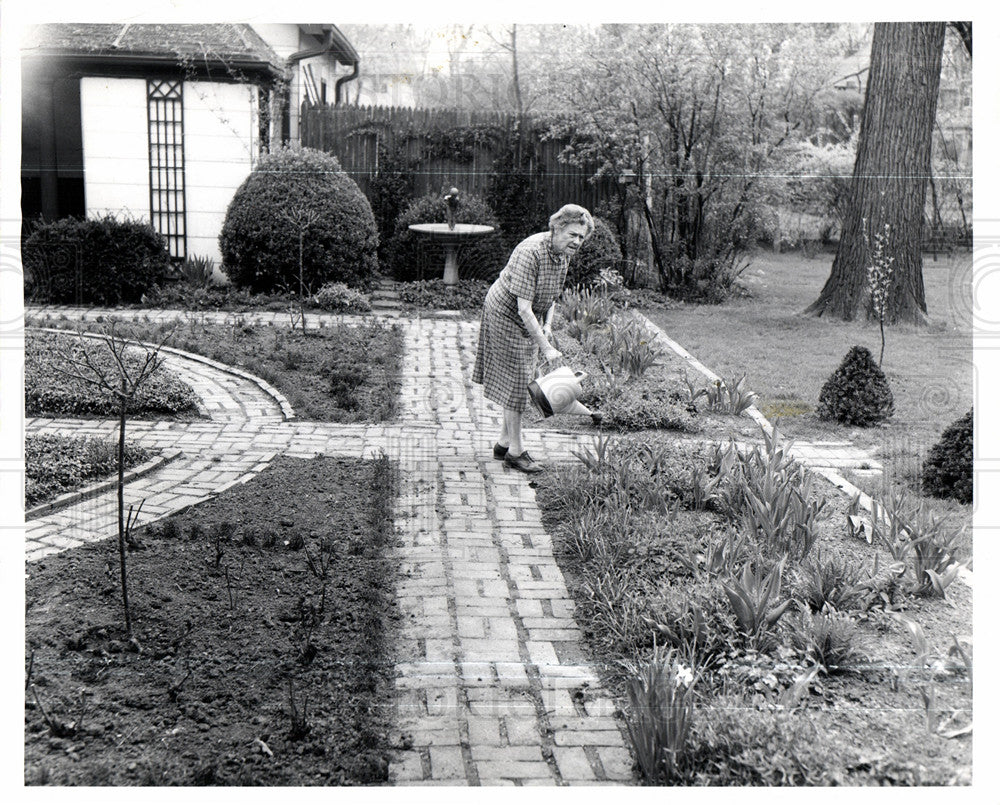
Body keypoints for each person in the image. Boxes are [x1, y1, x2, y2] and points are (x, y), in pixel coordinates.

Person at [472, 204, 594, 473]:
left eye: (581, 237)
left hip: (528, 314)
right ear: (557, 227)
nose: (576, 241)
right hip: (504, 313)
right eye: (572, 234)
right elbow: (523, 308)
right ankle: (516, 453)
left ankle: (503, 443)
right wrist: (547, 348)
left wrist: (548, 325)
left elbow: (550, 296)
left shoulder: (563, 254)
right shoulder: (531, 251)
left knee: (524, 377)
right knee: (518, 382)